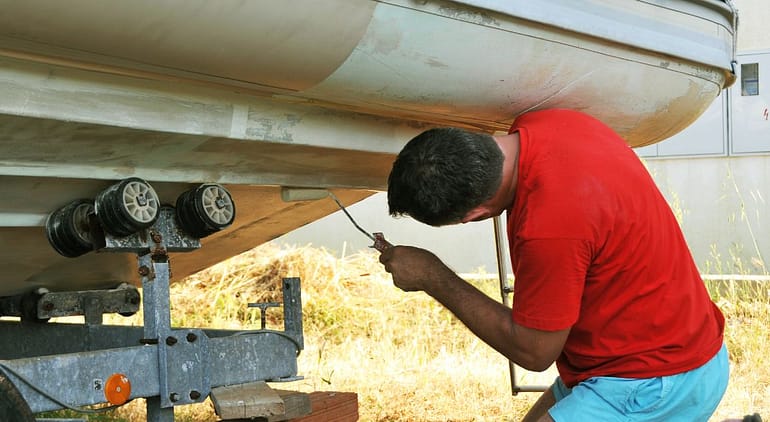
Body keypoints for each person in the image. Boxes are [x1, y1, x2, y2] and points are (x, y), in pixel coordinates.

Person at [378, 108, 728, 421]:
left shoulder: (548, 226)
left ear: (475, 215)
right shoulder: (551, 122)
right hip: (674, 352)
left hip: (656, 380)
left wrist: (432, 275)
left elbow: (534, 352)